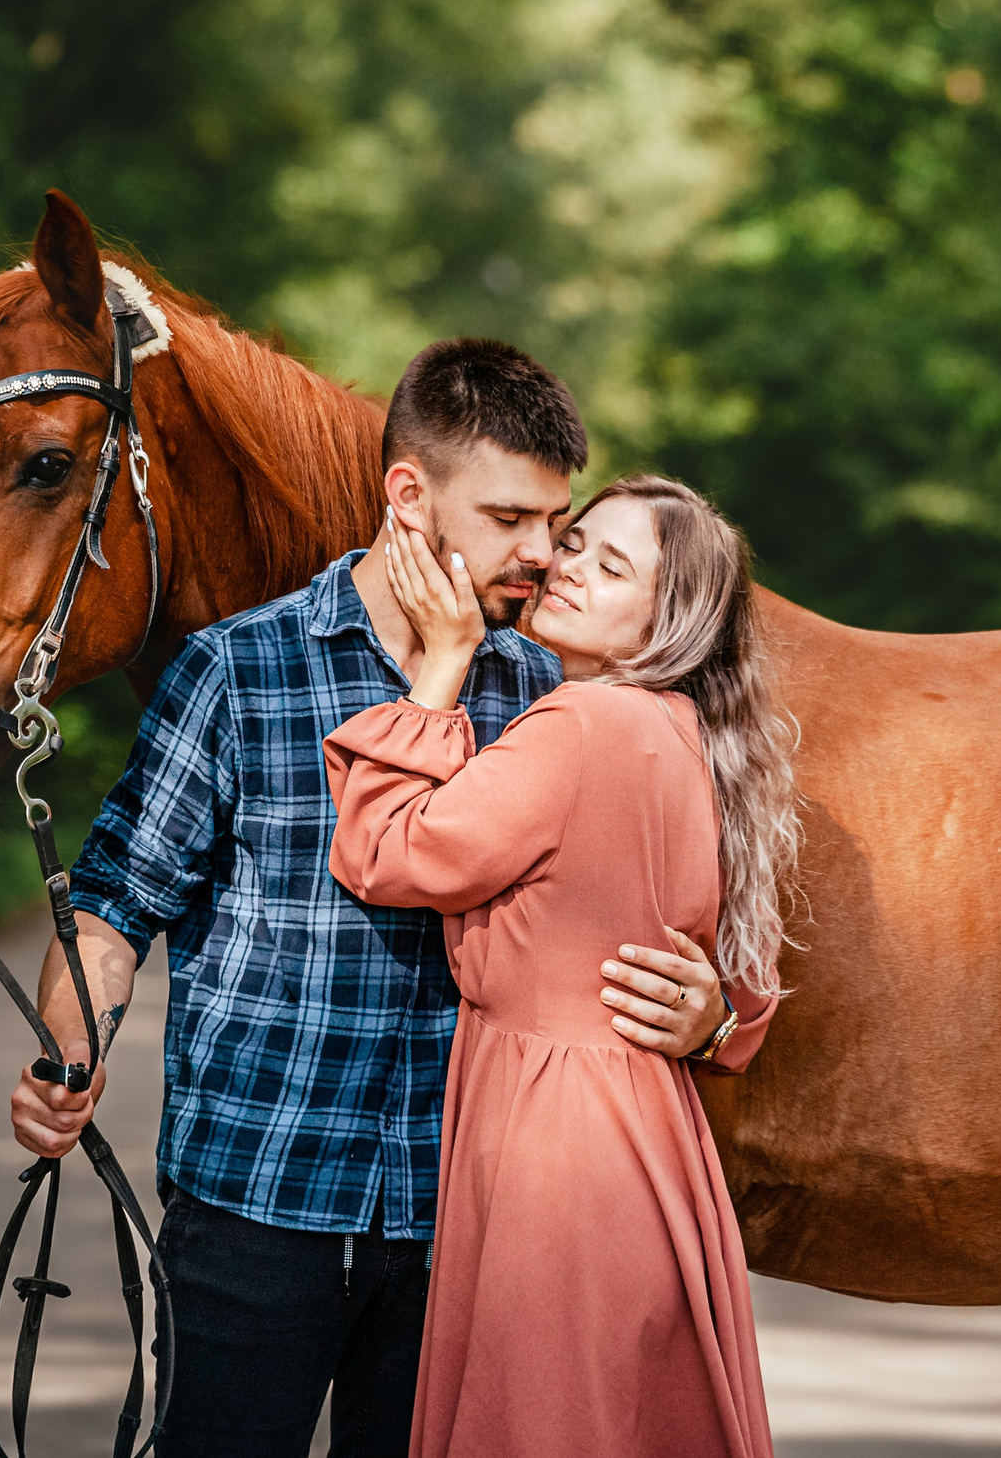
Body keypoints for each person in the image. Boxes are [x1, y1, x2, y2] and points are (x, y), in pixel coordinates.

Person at [6, 340, 766, 1458]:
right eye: (510, 517)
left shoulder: (552, 684)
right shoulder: (239, 670)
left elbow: (677, 894)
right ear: (407, 494)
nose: (541, 554)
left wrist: (716, 1014)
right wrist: (67, 1056)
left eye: (556, 523)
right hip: (259, 1199)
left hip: (462, 1224)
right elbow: (115, 905)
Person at [323, 474, 798, 1458]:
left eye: (609, 564)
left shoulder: (586, 725)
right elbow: (745, 986)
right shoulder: (686, 734)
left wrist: (441, 665)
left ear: (669, 621)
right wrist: (714, 1026)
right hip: (641, 1138)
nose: (566, 566)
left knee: (542, 1418)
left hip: (558, 1145)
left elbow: (388, 854)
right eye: (575, 543)